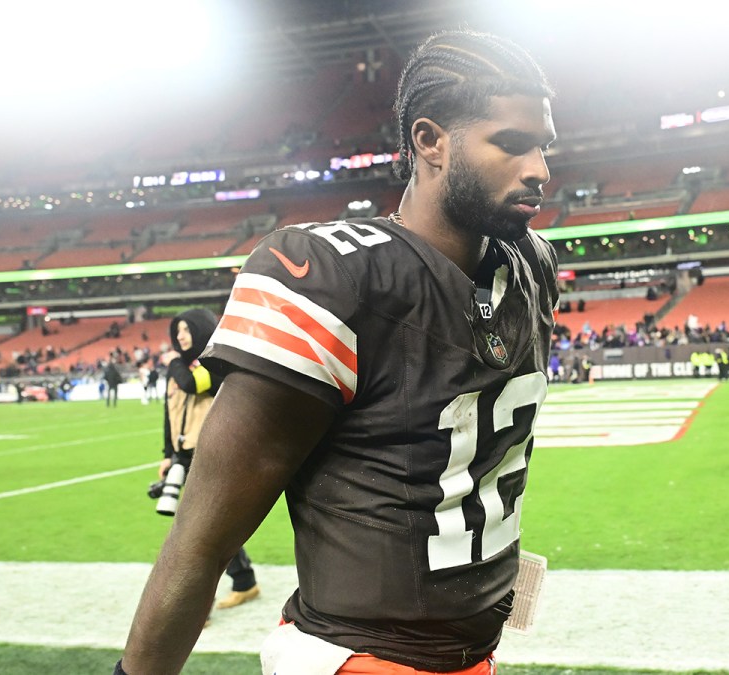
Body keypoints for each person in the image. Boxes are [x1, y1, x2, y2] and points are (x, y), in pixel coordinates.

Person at [118, 29, 559, 675]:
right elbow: (202, 537)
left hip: (469, 653)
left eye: (544, 146)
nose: (539, 169)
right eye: (512, 144)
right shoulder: (336, 277)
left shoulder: (528, 262)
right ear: (429, 141)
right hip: (356, 657)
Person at [155, 309, 260, 609]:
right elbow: (169, 413)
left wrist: (174, 363)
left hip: (210, 454)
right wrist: (167, 454)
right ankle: (244, 581)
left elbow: (191, 384)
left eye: (186, 330)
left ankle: (195, 605)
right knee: (208, 525)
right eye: (177, 331)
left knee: (197, 529)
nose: (180, 336)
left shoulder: (215, 363)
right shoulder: (179, 367)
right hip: (183, 453)